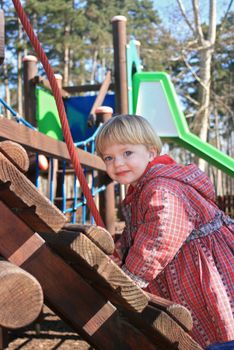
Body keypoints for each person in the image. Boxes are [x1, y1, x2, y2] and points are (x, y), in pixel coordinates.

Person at [95, 114, 234, 349]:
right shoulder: (141, 188)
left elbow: (160, 235)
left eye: (127, 153)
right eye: (109, 157)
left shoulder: (162, 187)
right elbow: (139, 233)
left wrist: (129, 278)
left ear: (151, 152)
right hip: (186, 266)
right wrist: (118, 254)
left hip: (203, 268)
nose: (117, 163)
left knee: (216, 320)